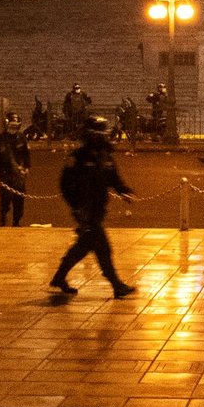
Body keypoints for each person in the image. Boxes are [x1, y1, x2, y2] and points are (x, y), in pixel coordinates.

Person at [50, 115, 136, 298]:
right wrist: (77, 207)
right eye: (96, 134)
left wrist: (123, 191)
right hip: (84, 209)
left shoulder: (105, 154)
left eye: (101, 134)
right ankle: (116, 284)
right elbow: (65, 185)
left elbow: (113, 177)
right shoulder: (78, 157)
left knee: (84, 245)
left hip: (98, 207)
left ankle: (59, 277)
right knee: (102, 247)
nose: (99, 138)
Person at [0, 112, 31, 226]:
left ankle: (16, 222)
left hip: (18, 173)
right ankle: (1, 223)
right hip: (3, 174)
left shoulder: (21, 138)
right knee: (3, 201)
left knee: (19, 200)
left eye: (16, 126)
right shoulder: (0, 139)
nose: (14, 128)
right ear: (6, 125)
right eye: (11, 125)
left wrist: (26, 167)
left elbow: (26, 154)